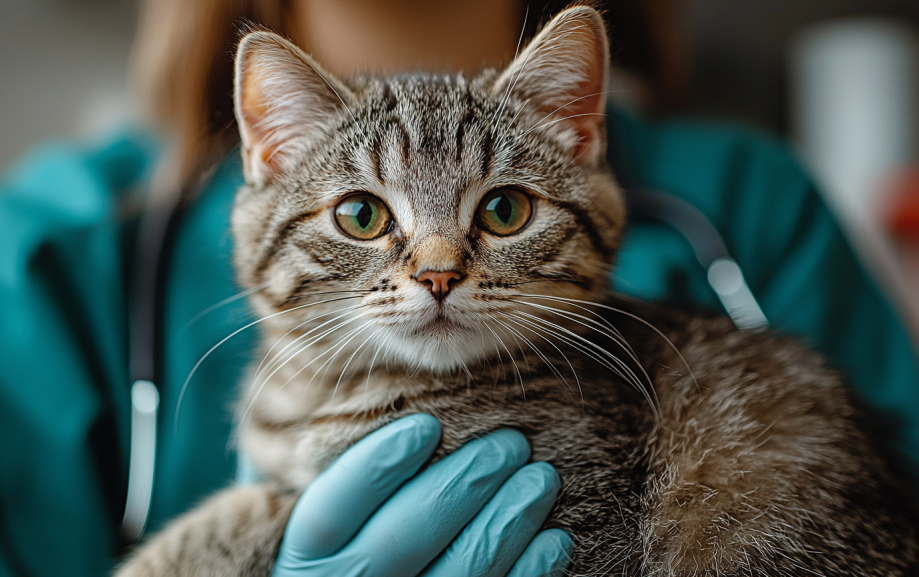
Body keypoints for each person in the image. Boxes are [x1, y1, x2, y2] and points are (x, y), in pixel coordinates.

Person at [1, 1, 917, 576]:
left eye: (504, 209)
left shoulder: (756, 203)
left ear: (579, 132)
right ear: (269, 154)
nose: (436, 269)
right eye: (364, 217)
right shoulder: (54, 245)